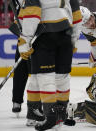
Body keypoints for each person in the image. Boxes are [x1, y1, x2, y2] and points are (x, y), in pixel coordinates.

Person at [16, 0, 82, 130]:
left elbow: (32, 13)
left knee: (45, 77)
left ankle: (50, 117)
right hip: (66, 34)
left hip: (44, 35)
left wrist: (25, 41)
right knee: (62, 77)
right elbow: (77, 15)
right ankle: (60, 115)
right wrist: (74, 39)